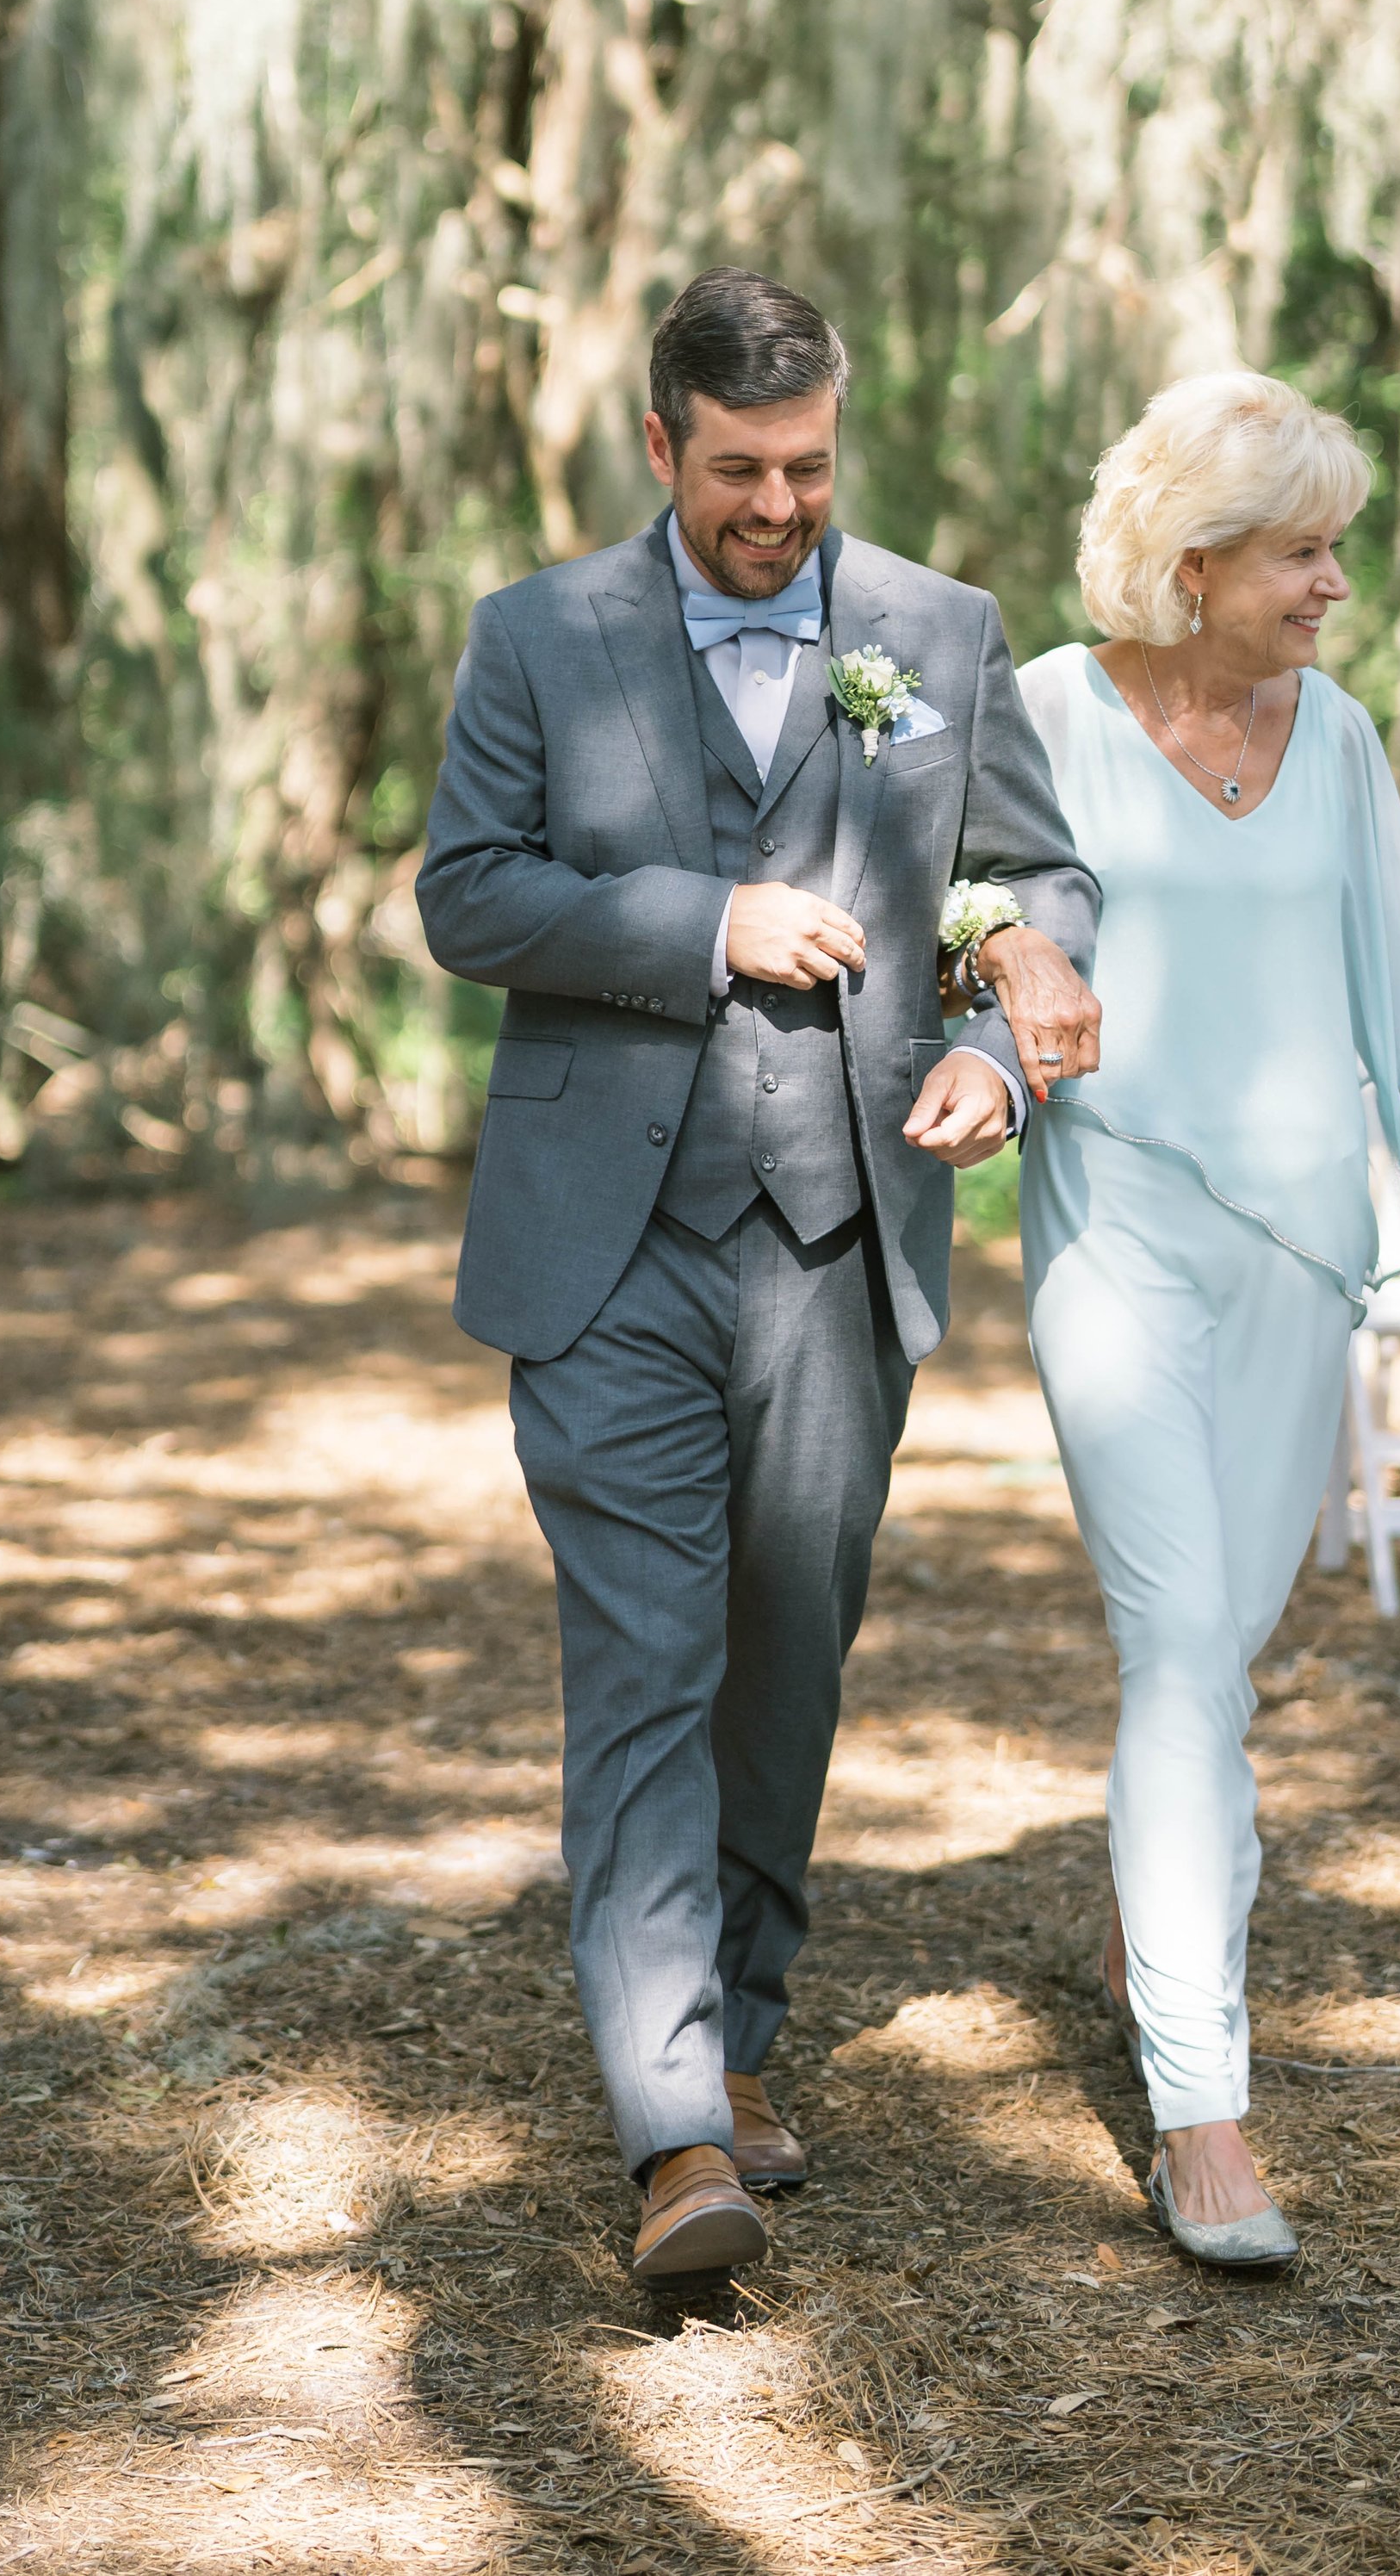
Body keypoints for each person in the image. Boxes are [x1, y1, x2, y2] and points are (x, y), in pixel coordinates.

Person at [418, 268, 1101, 2281]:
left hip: (838, 1232)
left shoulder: (939, 630)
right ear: (659, 443)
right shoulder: (539, 634)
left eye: (809, 465)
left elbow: (1034, 879)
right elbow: (470, 890)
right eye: (737, 468)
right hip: (607, 1244)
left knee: (788, 1649)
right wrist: (706, 916)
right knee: (648, 1663)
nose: (778, 505)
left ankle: (741, 2020)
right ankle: (676, 2127)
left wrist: (999, 1021)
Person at [1013, 371, 1400, 2269]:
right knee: (1173, 1649)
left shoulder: (1337, 738)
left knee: (1219, 1657)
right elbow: (962, 935)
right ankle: (1202, 2111)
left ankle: (1154, 1904)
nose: (1332, 583)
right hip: (1117, 1228)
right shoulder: (1045, 716)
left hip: (1303, 1249)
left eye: (1332, 548)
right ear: (1191, 561)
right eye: (1301, 551)